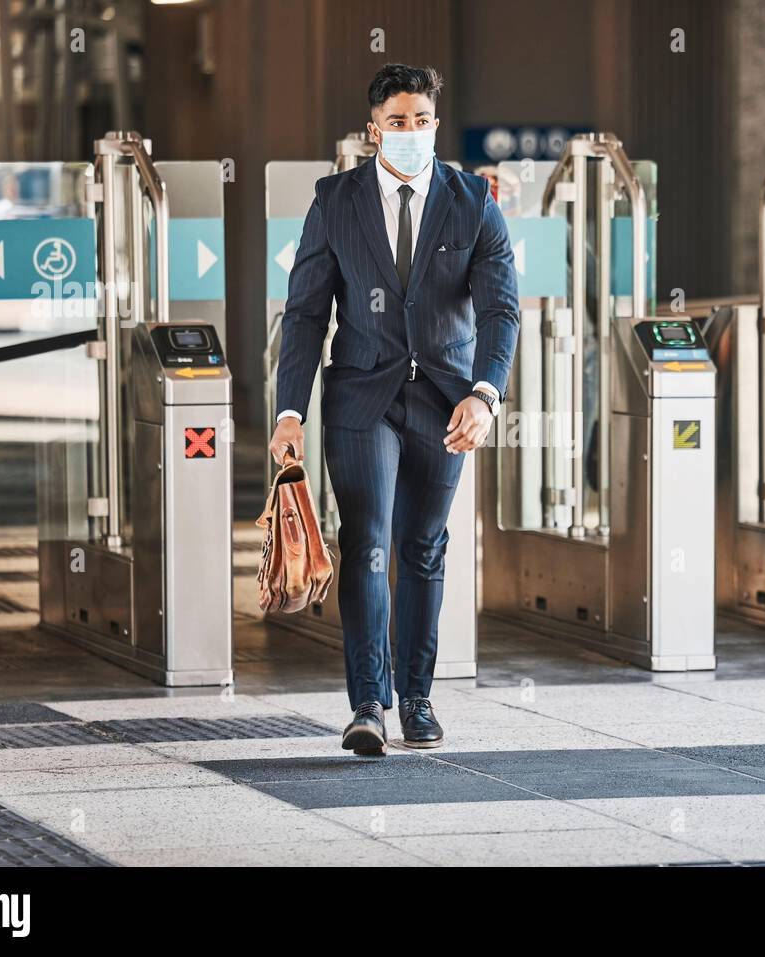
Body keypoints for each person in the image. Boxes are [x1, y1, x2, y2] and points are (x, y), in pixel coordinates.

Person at [269, 64, 519, 756]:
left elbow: (500, 310)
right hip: (360, 397)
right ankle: (368, 703)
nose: (412, 133)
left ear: (436, 123)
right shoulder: (335, 201)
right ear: (373, 128)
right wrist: (290, 409)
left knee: (423, 547)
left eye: (423, 120)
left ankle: (416, 695)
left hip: (446, 400)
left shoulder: (475, 201)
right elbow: (306, 313)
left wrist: (485, 392)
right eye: (398, 121)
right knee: (370, 541)